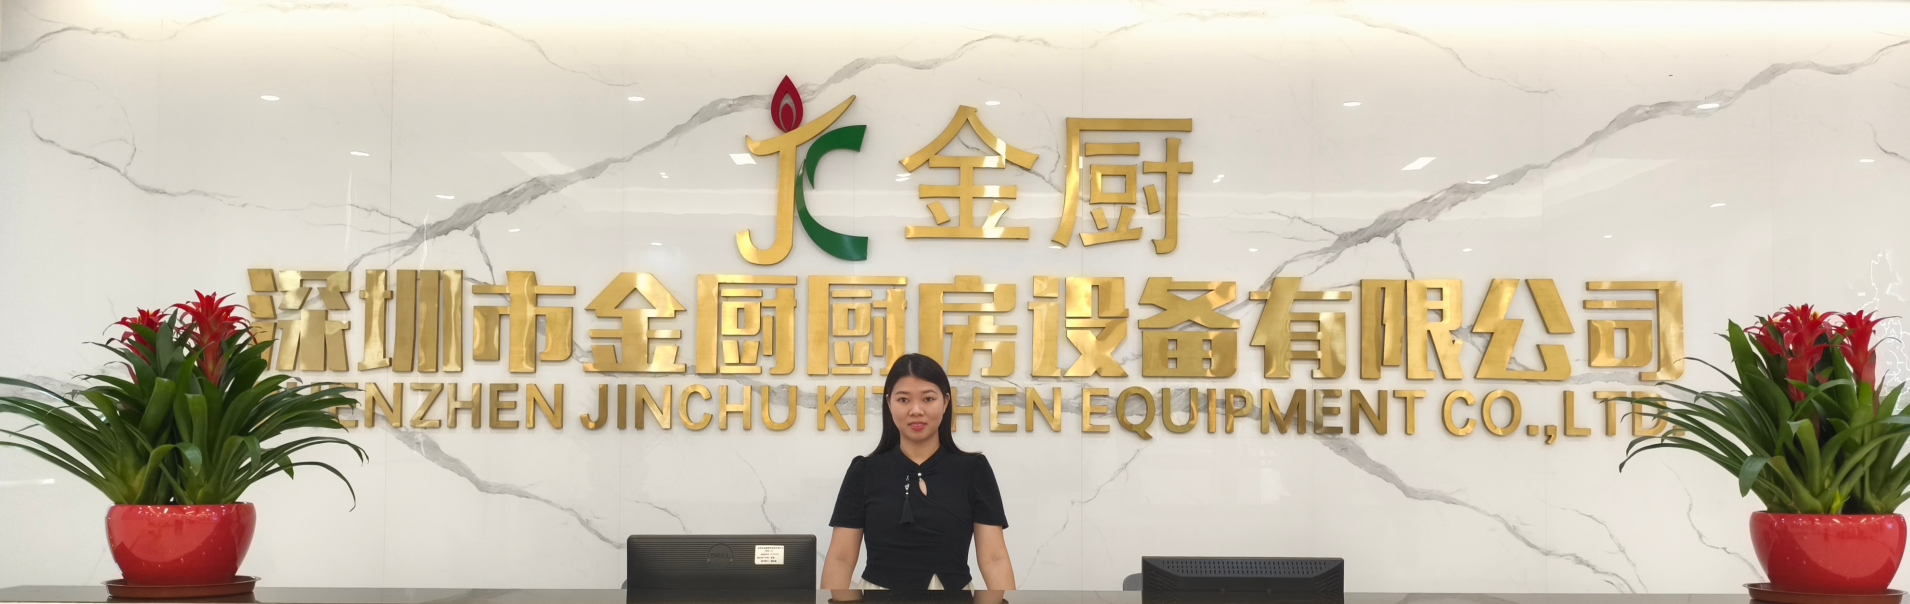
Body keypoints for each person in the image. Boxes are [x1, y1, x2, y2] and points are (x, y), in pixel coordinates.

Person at [821, 353, 1015, 591]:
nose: (916, 410)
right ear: (889, 403)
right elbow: (840, 559)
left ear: (945, 402)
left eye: (928, 399)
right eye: (903, 400)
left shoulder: (974, 470)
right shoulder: (864, 472)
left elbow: (994, 559)